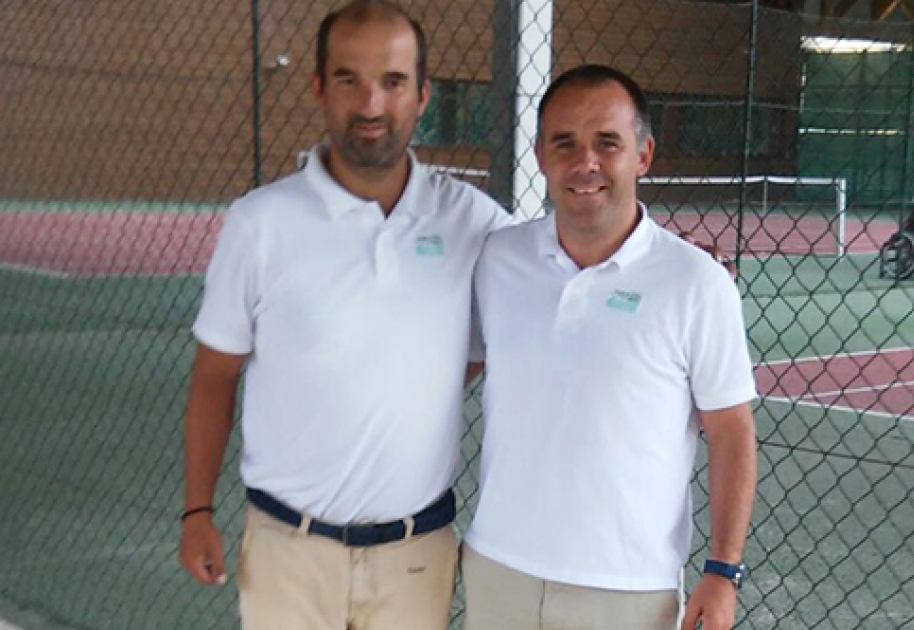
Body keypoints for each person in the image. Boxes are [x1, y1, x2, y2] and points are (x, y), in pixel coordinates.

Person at [177, 3, 509, 629]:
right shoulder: (259, 224)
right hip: (286, 553)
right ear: (319, 88)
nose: (371, 104)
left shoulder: (471, 221)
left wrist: (664, 259)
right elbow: (214, 373)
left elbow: (559, 272)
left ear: (422, 95)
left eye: (393, 81)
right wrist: (196, 510)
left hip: (416, 556)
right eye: (349, 79)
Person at [463, 65, 758, 630]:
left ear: (643, 155)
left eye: (608, 143)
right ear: (541, 155)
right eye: (564, 143)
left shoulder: (696, 283)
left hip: (628, 590)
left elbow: (731, 431)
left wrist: (723, 572)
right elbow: (457, 369)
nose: (585, 163)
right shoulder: (498, 259)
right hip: (498, 571)